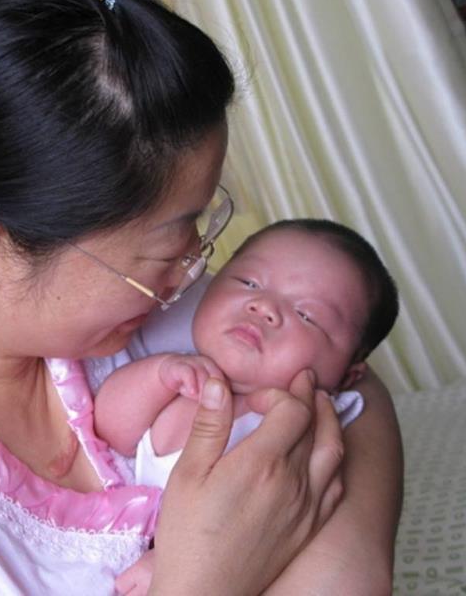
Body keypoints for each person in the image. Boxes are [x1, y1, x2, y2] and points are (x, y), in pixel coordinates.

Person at [0, 0, 401, 594]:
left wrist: (346, 562)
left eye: (199, 227)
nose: (190, 272)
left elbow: (342, 370)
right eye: (165, 251)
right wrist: (207, 581)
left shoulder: (86, 304)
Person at [92, 218, 399, 594]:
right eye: (248, 282)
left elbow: (275, 531)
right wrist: (160, 375)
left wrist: (172, 564)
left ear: (348, 376)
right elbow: (109, 432)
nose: (264, 306)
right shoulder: (178, 373)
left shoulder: (300, 433)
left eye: (307, 315)